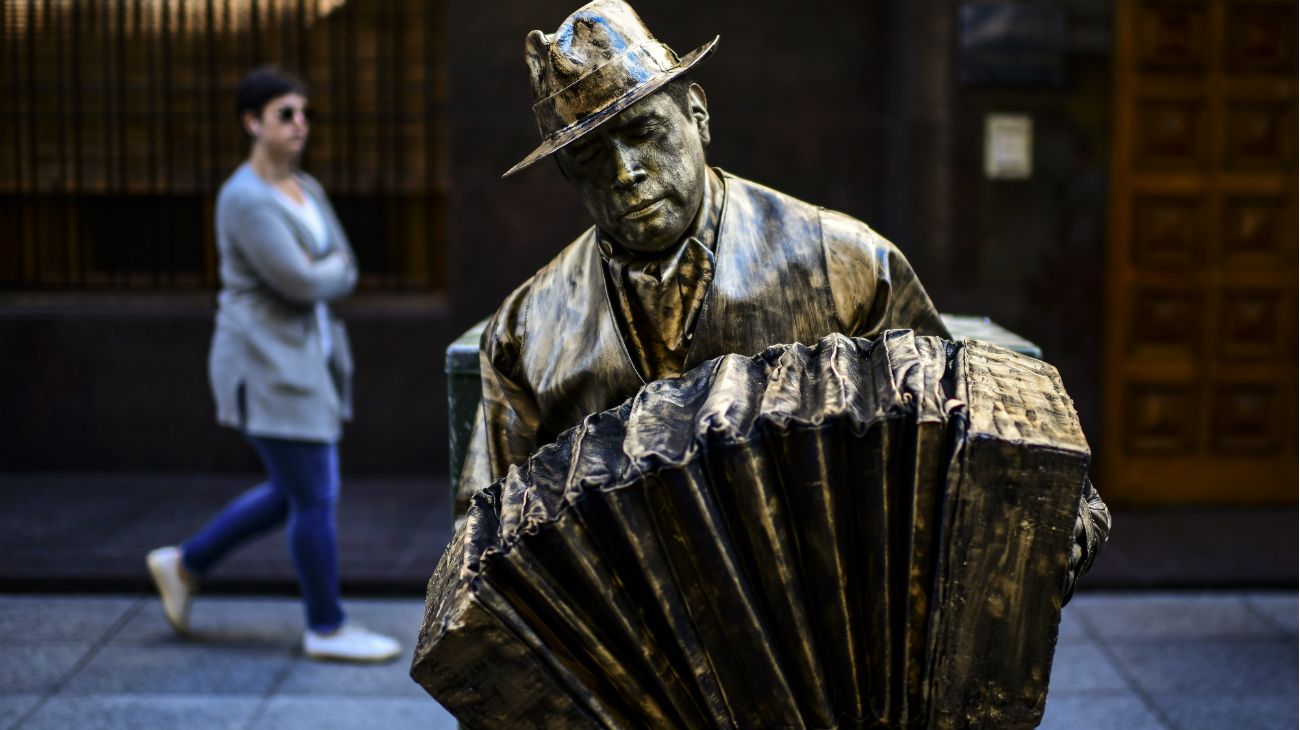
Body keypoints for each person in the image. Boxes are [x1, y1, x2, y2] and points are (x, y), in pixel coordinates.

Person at [459, 0, 1108, 595]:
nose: (626, 172)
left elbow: (957, 429)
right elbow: (484, 535)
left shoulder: (848, 263)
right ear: (567, 176)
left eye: (644, 132)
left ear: (698, 115)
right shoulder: (525, 330)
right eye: (591, 157)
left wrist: (1051, 513)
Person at [146, 67, 400, 663]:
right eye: (285, 113)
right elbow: (300, 281)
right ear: (252, 122)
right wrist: (327, 273)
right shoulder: (245, 198)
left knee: (292, 492)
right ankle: (326, 627)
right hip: (266, 364)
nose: (299, 125)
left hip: (305, 359)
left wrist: (328, 274)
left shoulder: (305, 188)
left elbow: (346, 265)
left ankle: (185, 564)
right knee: (316, 495)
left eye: (304, 113)